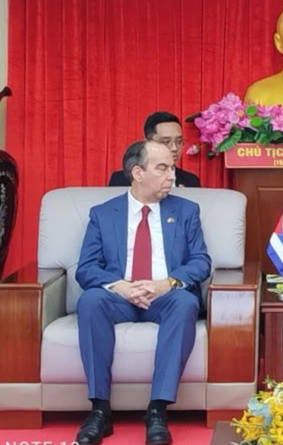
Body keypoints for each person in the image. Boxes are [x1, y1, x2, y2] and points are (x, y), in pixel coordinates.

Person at [76, 140, 211, 445]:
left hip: (164, 296)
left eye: (172, 167)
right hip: (119, 297)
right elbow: (86, 268)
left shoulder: (186, 210)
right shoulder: (103, 213)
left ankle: (158, 410)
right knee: (91, 300)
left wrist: (167, 283)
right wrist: (121, 287)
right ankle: (100, 410)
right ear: (137, 172)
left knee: (185, 302)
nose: (172, 177)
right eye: (162, 168)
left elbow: (201, 261)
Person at [109, 112, 201, 188]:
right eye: (166, 142)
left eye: (179, 141)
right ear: (148, 143)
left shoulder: (191, 182)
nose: (174, 148)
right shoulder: (122, 180)